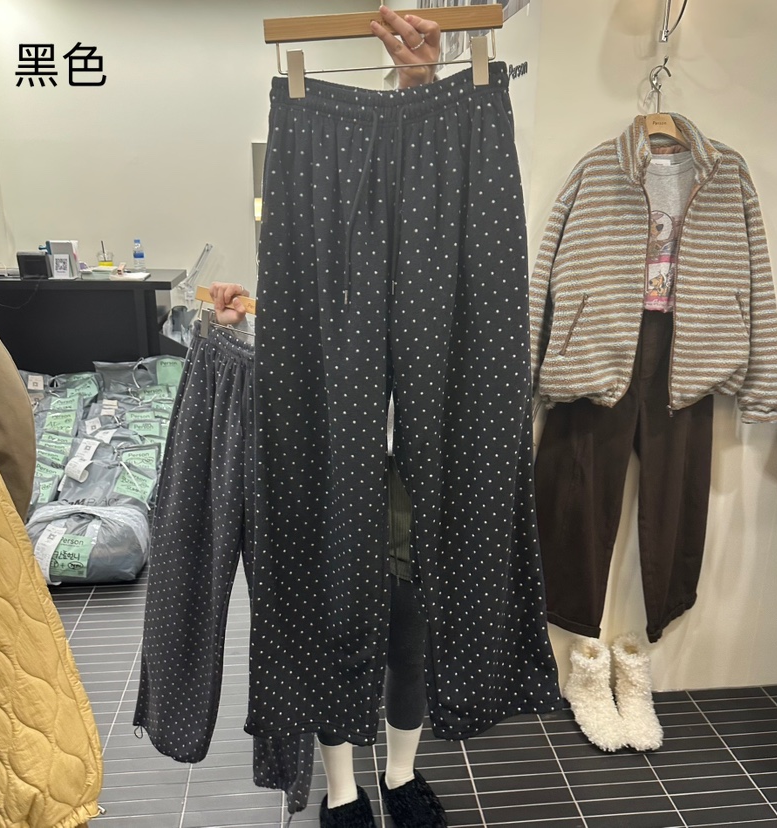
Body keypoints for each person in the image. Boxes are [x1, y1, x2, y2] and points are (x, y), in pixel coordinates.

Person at [208, 9, 447, 827]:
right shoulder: (311, 218)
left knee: (410, 632)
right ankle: (342, 788)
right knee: (331, 622)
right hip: (328, 456)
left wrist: (421, 81)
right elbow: (306, 333)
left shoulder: (438, 228)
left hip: (411, 467)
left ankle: (403, 776)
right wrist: (245, 323)